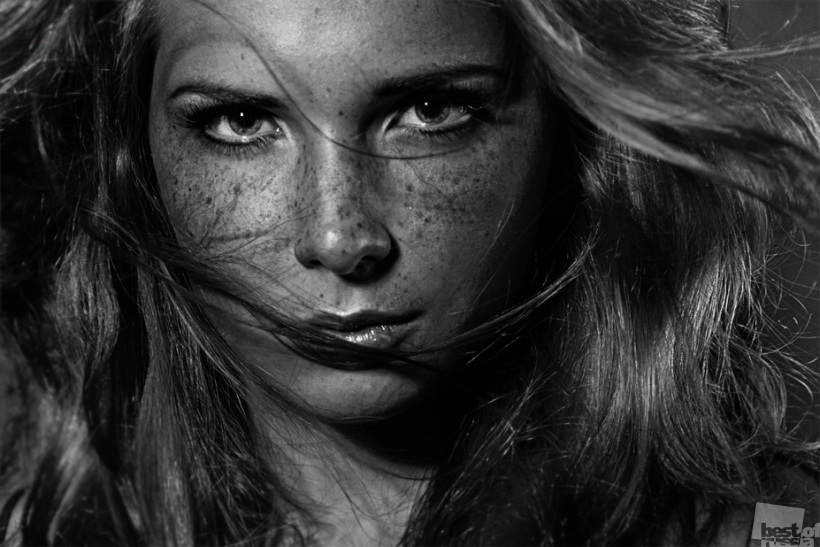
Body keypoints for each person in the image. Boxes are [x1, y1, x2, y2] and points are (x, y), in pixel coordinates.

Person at [1, 0, 818, 545]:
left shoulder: (780, 530)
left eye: (429, 112)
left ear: (574, 130)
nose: (340, 237)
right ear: (132, 152)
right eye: (240, 120)